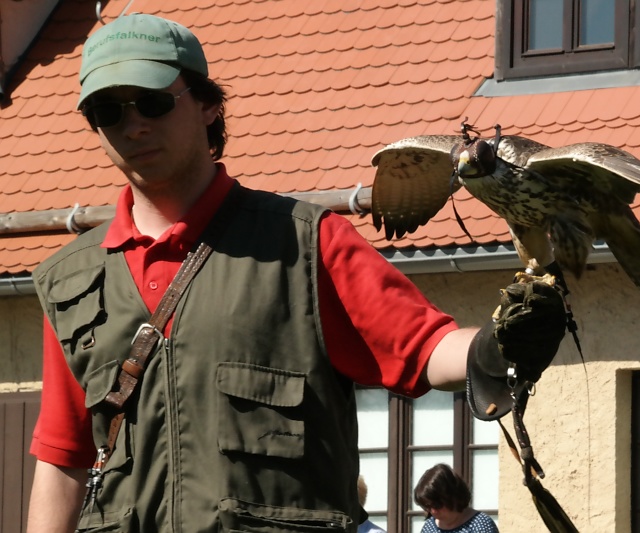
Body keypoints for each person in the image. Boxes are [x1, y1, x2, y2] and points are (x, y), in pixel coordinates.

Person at [25, 13, 566, 533]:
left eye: (153, 101)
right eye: (108, 111)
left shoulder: (305, 243)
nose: (133, 125)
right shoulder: (73, 281)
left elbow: (423, 347)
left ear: (208, 106)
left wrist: (495, 347)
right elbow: (63, 459)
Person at [413, 463, 499, 533]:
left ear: (452, 497)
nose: (433, 511)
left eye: (437, 505)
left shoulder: (480, 524)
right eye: (427, 507)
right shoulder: (429, 527)